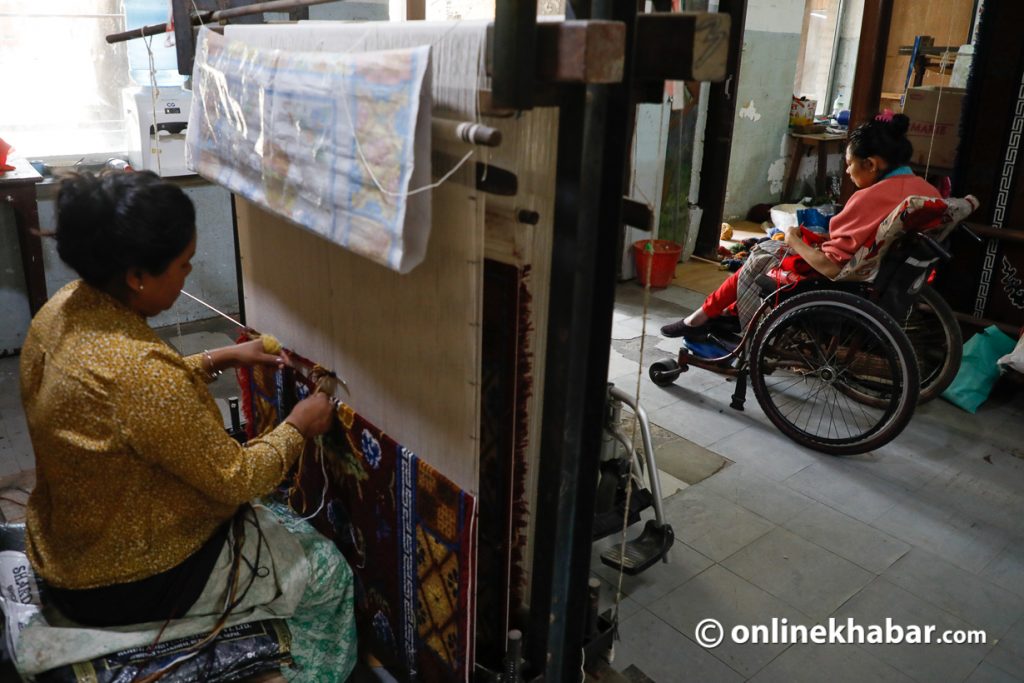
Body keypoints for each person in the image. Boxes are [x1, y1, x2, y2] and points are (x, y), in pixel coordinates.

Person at [19, 171, 355, 680]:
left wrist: (218, 356)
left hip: (65, 549)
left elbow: (119, 403)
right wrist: (297, 425)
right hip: (122, 583)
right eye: (182, 264)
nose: (189, 272)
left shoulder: (61, 310)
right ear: (136, 276)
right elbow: (238, 478)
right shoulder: (140, 374)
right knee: (327, 573)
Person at [661, 111, 941, 339]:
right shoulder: (927, 192)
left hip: (846, 283)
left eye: (849, 164)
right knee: (768, 247)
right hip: (887, 277)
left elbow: (831, 266)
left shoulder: (872, 197)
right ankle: (711, 315)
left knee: (761, 253)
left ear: (870, 163)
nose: (847, 171)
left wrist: (794, 239)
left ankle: (732, 327)